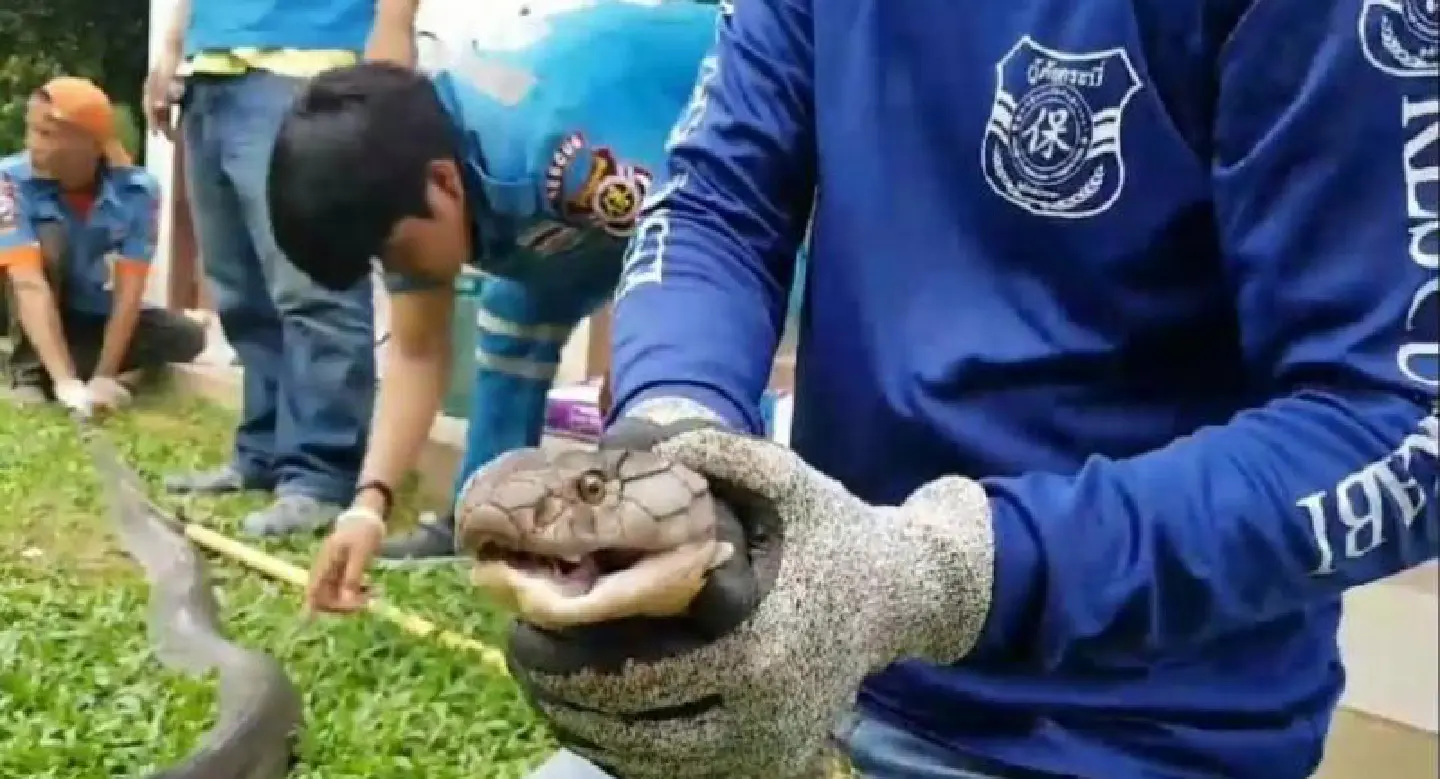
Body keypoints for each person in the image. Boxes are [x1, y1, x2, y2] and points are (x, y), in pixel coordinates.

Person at [469, 0, 1438, 778]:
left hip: (1117, 730)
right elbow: (719, 197)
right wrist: (676, 439)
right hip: (802, 645)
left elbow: (1396, 422)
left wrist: (936, 572)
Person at [266, 1, 721, 572]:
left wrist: (636, 373)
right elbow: (416, 350)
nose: (399, 271)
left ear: (443, 182)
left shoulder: (566, 157)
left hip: (736, 134)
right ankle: (487, 521)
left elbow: (698, 260)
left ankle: (721, 523)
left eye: (396, 254)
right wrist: (367, 506)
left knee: (687, 361)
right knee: (514, 314)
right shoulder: (402, 175)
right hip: (590, 197)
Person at [143, 0, 422, 535]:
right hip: (209, 74)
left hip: (305, 64)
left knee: (314, 281)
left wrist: (392, 32)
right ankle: (262, 453)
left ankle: (320, 476)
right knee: (240, 289)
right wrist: (172, 51)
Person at [1, 78, 205, 414]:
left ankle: (78, 365)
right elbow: (28, 284)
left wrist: (105, 377)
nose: (32, 144)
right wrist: (66, 381)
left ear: (91, 143)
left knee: (185, 335)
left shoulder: (138, 192)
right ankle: (33, 375)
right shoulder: (8, 181)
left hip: (84, 306)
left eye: (47, 134)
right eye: (31, 130)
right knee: (48, 244)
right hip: (16, 299)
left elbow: (129, 291)